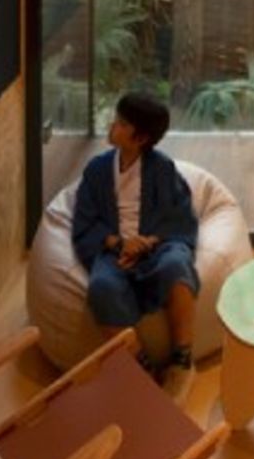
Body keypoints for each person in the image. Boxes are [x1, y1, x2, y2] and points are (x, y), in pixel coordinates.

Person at [70, 91, 199, 399]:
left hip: (157, 246)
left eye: (121, 123)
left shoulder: (162, 169)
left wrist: (147, 243)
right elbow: (84, 222)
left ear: (140, 138)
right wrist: (118, 244)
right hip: (114, 249)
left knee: (176, 266)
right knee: (102, 287)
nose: (112, 125)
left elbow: (179, 217)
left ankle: (182, 361)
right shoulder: (97, 170)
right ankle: (142, 368)